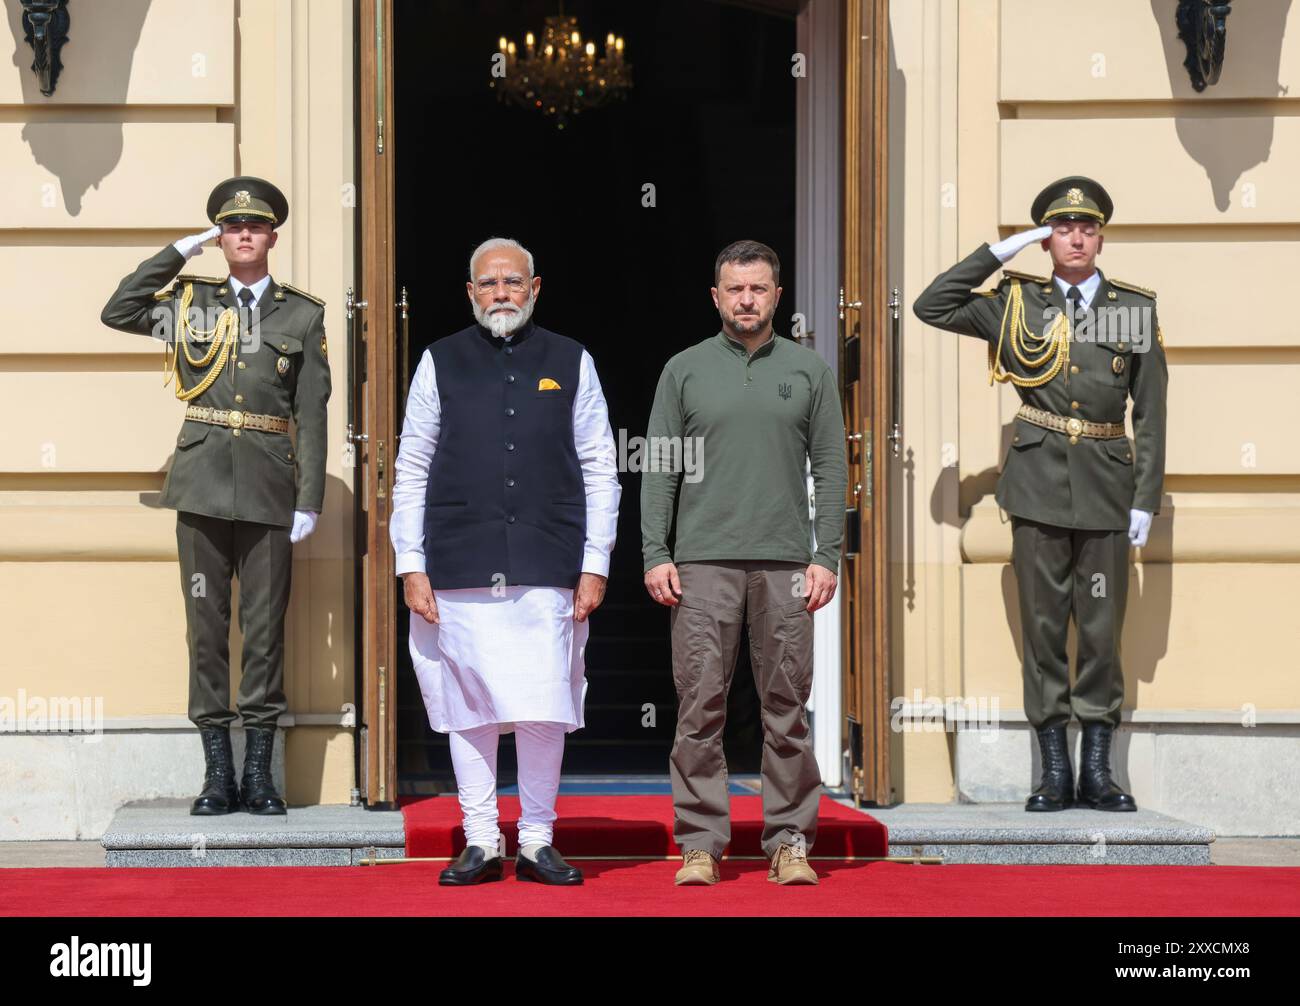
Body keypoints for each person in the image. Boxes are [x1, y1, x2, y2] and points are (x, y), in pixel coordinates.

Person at [913, 176, 1168, 812]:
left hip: (1109, 491)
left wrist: (1145, 497)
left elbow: (1153, 412)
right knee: (1044, 627)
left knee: (1104, 630)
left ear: (1101, 237)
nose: (1075, 238)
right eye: (1060, 229)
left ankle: (1099, 773)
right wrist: (1002, 250)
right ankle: (1053, 770)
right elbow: (932, 305)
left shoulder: (1131, 307)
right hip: (1036, 489)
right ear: (1046, 239)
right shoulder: (1015, 304)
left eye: (1085, 229)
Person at [390, 237, 620, 886]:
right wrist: (411, 562)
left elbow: (602, 466)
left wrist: (595, 561)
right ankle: (482, 838)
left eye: (512, 282)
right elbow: (412, 468)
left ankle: (539, 840)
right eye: (488, 284)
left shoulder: (573, 361)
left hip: (550, 564)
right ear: (470, 293)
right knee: (470, 707)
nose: (501, 294)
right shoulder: (440, 361)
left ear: (535, 287)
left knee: (545, 706)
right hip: (459, 561)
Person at [100, 175, 331, 816]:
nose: (243, 235)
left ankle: (259, 775)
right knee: (206, 631)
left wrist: (308, 498)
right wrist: (178, 251)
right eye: (231, 228)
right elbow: (118, 311)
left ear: (272, 237)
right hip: (200, 487)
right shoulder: (191, 302)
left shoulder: (300, 315)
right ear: (221, 238)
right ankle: (216, 776)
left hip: (268, 489)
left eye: (253, 226)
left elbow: (312, 414)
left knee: (263, 632)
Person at [642, 240, 848, 885]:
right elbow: (660, 468)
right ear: (716, 296)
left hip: (787, 562)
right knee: (700, 704)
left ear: (777, 295)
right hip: (703, 562)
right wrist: (656, 551)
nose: (747, 299)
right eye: (735, 289)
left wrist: (826, 555)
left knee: (786, 705)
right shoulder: (684, 369)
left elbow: (832, 466)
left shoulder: (809, 371)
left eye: (758, 288)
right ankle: (701, 841)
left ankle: (789, 840)